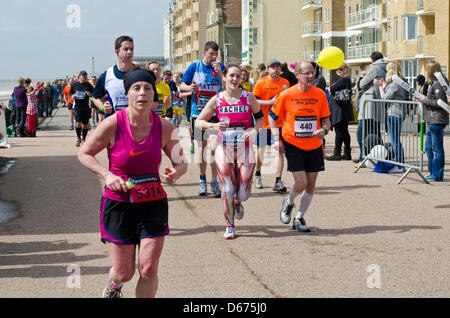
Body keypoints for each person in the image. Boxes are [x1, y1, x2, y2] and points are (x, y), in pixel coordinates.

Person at [78, 66, 187, 298]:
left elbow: (181, 162)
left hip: (153, 202)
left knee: (148, 269)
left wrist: (176, 172)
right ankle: (114, 286)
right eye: (136, 88)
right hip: (119, 203)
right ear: (127, 94)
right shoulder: (112, 124)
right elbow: (84, 153)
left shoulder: (165, 127)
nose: (142, 93)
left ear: (153, 96)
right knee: (123, 272)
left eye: (147, 88)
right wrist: (107, 175)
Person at [195, 64, 264, 239]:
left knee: (242, 193)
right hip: (223, 146)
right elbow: (198, 122)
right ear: (224, 77)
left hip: (244, 147)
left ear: (242, 79)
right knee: (227, 187)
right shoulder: (217, 99)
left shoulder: (248, 97)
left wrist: (254, 131)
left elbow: (261, 119)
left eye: (238, 76)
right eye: (231, 76)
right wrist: (213, 125)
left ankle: (239, 202)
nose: (235, 79)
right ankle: (230, 225)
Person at [270, 61, 330, 233]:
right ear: (297, 75)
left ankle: (299, 217)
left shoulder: (320, 94)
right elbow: (273, 117)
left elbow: (326, 119)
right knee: (301, 182)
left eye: (313, 73)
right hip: (293, 143)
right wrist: (276, 139)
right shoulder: (287, 94)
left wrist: (324, 130)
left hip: (314, 145)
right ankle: (288, 203)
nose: (311, 76)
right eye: (307, 73)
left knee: (311, 185)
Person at [180, 41, 225, 197]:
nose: (213, 57)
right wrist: (190, 88)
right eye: (211, 53)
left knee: (214, 147)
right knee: (202, 149)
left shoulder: (220, 68)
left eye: (216, 54)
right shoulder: (195, 67)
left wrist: (220, 74)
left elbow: (227, 87)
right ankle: (202, 180)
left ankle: (214, 181)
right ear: (204, 52)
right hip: (198, 114)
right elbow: (182, 85)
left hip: (215, 114)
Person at [252, 59, 290, 192]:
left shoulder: (285, 83)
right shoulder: (261, 82)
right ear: (267, 69)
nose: (275, 69)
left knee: (279, 151)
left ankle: (278, 180)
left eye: (278, 67)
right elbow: (254, 101)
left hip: (280, 124)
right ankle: (257, 174)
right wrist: (269, 103)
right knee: (260, 153)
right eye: (272, 67)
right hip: (264, 124)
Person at [415, 61, 448, 182]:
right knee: (429, 147)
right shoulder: (435, 83)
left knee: (436, 148)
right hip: (433, 119)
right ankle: (433, 172)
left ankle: (437, 175)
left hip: (437, 119)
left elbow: (440, 103)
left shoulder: (438, 84)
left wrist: (424, 100)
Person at [373, 61, 409, 164]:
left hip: (394, 113)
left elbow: (385, 98)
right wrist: (384, 86)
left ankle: (399, 163)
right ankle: (399, 162)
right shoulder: (399, 82)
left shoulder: (396, 83)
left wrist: (380, 86)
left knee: (394, 140)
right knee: (395, 139)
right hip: (397, 112)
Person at [355, 51, 387, 163]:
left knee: (361, 133)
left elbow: (362, 83)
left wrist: (364, 80)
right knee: (374, 132)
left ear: (372, 60)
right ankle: (378, 156)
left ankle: (364, 157)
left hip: (369, 105)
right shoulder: (385, 67)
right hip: (377, 104)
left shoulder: (375, 68)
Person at [91, 35, 134, 118]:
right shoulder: (107, 75)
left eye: (131, 49)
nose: (129, 52)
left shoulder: (139, 73)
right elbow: (95, 97)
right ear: (116, 52)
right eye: (126, 49)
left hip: (135, 124)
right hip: (114, 124)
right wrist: (102, 107)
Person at [326, 63, 354, 161]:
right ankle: (347, 153)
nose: (338, 71)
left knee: (340, 131)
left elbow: (331, 89)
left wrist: (331, 88)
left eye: (341, 69)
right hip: (342, 109)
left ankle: (337, 153)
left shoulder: (344, 79)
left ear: (346, 69)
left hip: (340, 110)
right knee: (344, 132)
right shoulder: (345, 80)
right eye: (337, 69)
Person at [70, 71, 94, 146]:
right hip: (78, 107)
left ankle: (84, 138)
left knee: (85, 124)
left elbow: (93, 95)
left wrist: (90, 95)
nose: (84, 76)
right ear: (79, 76)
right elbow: (71, 95)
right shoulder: (74, 85)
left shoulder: (89, 85)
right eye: (83, 75)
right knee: (78, 123)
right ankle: (78, 138)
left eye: (85, 75)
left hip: (86, 107)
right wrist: (72, 96)